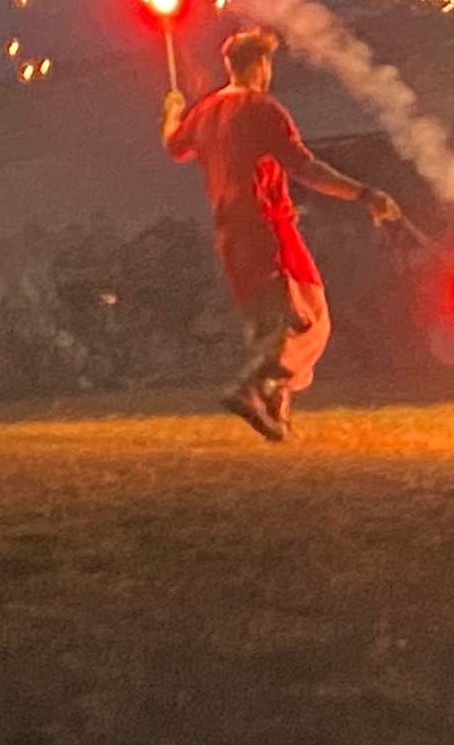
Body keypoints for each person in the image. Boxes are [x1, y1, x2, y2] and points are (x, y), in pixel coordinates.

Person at [162, 27, 404, 441]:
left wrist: (172, 111)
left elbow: (175, 147)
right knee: (309, 320)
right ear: (259, 65)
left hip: (228, 233)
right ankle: (250, 385)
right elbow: (305, 167)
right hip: (266, 228)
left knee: (268, 324)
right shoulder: (261, 109)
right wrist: (364, 193)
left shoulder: (202, 112)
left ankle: (279, 423)